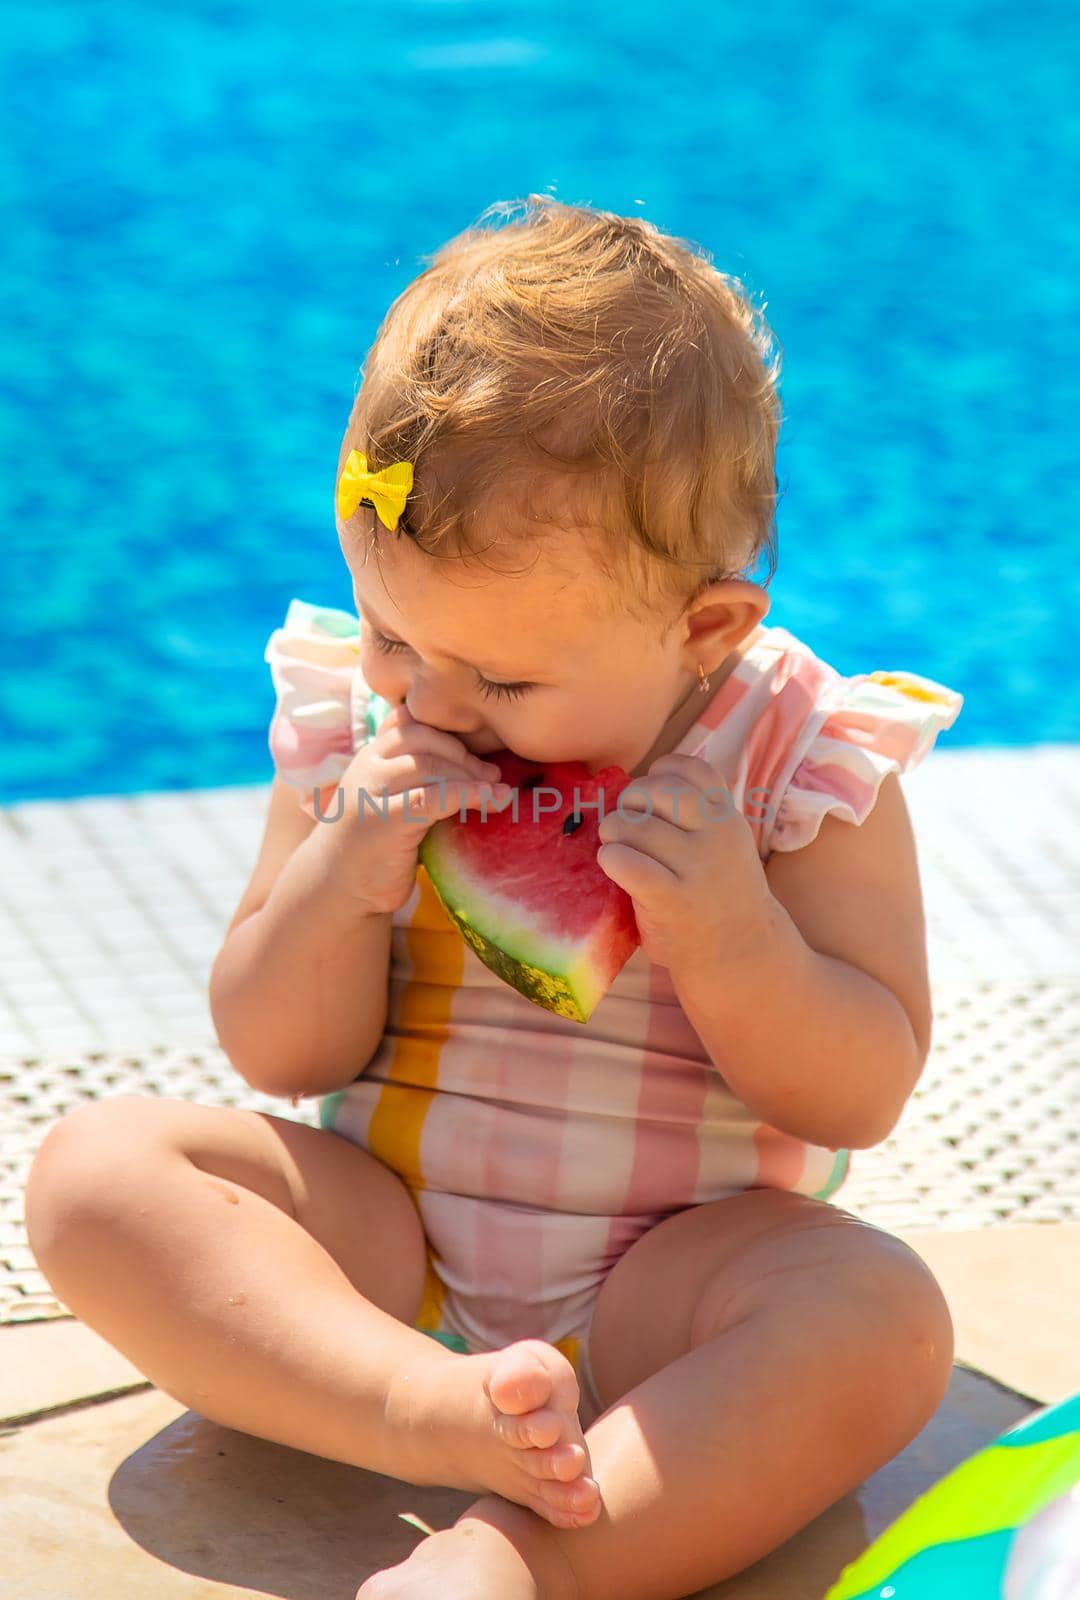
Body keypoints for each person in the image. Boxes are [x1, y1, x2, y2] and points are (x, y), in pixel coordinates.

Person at [25, 195, 965, 1600]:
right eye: (399, 636)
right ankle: (414, 1408)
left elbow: (859, 1093)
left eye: (506, 683)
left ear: (706, 625)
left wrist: (733, 935)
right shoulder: (363, 720)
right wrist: (342, 875)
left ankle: (520, 1557)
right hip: (380, 1259)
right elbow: (282, 1052)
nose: (435, 699)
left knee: (881, 1318)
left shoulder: (801, 759)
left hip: (676, 1295)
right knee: (94, 1175)